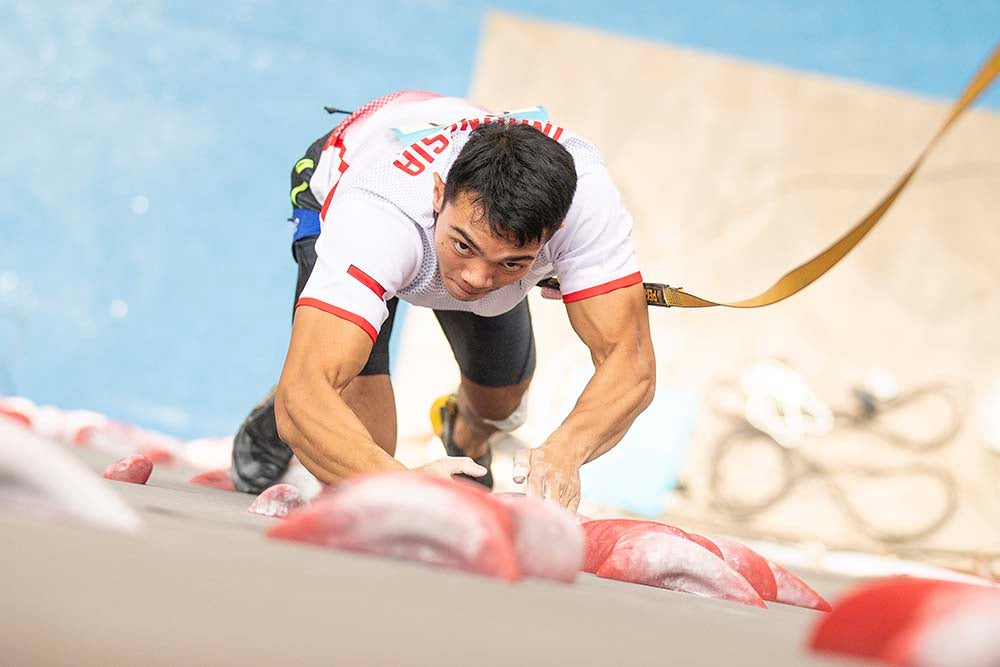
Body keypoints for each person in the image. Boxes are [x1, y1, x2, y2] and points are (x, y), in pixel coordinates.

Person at [230, 90, 655, 511]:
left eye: (512, 263)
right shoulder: (375, 217)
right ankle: (315, 370)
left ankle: (462, 431)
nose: (476, 279)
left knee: (501, 406)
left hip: (439, 213)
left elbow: (631, 361)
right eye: (464, 247)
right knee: (366, 466)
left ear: (557, 229)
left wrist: (566, 452)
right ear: (438, 193)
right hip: (347, 183)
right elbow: (304, 396)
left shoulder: (588, 202)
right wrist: (402, 486)